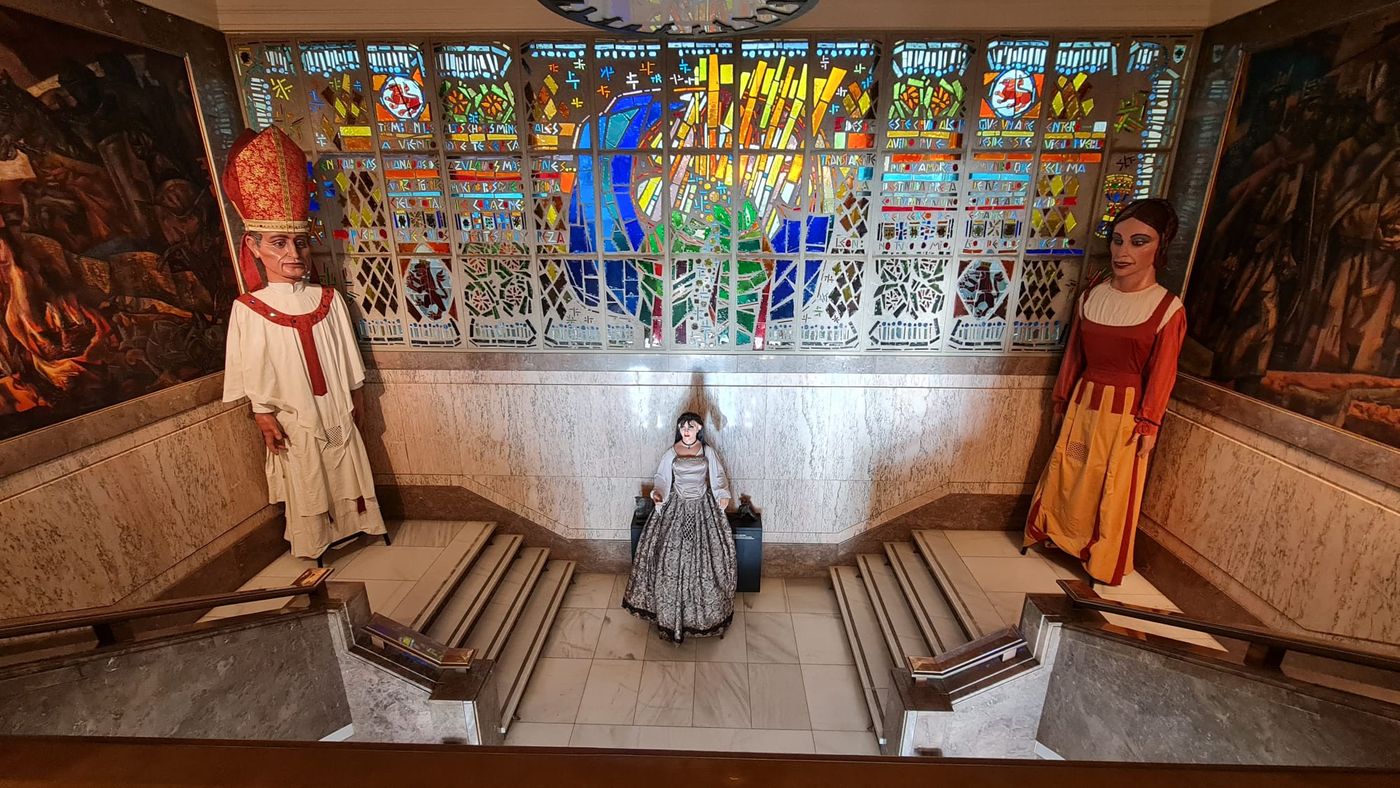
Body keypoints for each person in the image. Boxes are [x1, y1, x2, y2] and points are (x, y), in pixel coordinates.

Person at [220, 126, 387, 560]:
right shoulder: (250, 308)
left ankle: (361, 523)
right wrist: (262, 414)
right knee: (306, 472)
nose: (293, 254)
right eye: (279, 243)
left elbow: (348, 356)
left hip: (335, 406)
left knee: (346, 463)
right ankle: (315, 539)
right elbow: (252, 367)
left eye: (300, 242)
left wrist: (356, 396)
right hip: (292, 411)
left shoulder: (327, 299)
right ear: (254, 246)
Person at [1022, 198, 1187, 586]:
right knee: (1069, 468)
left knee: (1111, 483)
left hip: (1124, 413)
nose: (1123, 251)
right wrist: (1061, 400)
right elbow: (1074, 355)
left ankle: (1099, 555)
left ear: (1159, 247)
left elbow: (1163, 372)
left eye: (1139, 242)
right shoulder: (1092, 296)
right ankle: (1058, 533)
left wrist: (1150, 422)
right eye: (1117, 240)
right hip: (1083, 403)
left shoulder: (1167, 308)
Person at [623, 412, 737, 642]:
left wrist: (722, 495)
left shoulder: (707, 452)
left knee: (707, 560)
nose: (686, 430)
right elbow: (662, 478)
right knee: (670, 558)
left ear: (699, 429)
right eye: (682, 427)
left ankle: (704, 616)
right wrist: (658, 494)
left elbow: (718, 476)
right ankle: (670, 615)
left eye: (690, 426)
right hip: (676, 505)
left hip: (702, 506)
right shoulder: (672, 452)